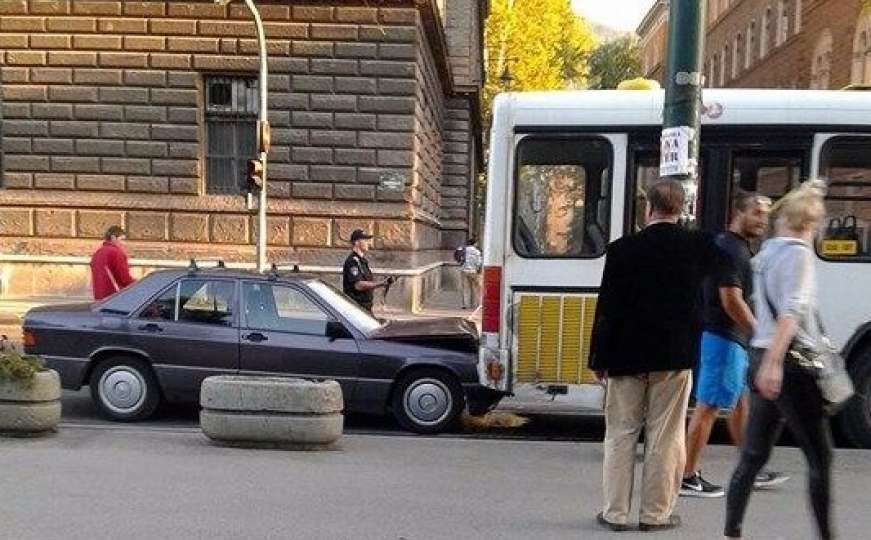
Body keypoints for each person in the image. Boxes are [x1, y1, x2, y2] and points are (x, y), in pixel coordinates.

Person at [589, 179, 725, 532]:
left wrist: (598, 359)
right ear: (681, 210)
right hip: (674, 356)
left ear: (647, 208)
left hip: (624, 356)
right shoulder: (699, 246)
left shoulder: (621, 250)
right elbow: (723, 276)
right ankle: (655, 515)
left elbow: (607, 309)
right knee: (665, 438)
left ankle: (615, 513)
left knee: (620, 434)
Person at [724, 182, 834, 540]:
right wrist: (774, 362)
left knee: (753, 456)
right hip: (787, 364)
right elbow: (791, 312)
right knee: (821, 458)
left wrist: (765, 361)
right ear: (811, 222)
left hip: (758, 354)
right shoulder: (799, 254)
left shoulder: (767, 252)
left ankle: (731, 532)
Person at [681, 192, 788, 498]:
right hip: (723, 338)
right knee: (708, 407)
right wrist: (758, 332)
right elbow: (731, 300)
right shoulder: (730, 250)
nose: (762, 221)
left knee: (740, 403)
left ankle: (749, 467)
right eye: (757, 213)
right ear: (739, 213)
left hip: (731, 340)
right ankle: (687, 476)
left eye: (766, 215)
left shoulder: (736, 247)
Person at [342, 229, 392, 313]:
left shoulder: (362, 261)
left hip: (365, 308)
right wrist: (381, 283)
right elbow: (358, 285)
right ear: (357, 242)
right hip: (356, 308)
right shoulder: (352, 261)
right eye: (365, 240)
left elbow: (367, 280)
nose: (368, 243)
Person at [90, 225, 135, 301]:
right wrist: (138, 284)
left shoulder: (98, 253)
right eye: (122, 239)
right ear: (113, 237)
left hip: (99, 298)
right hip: (115, 297)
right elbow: (124, 278)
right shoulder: (116, 253)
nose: (123, 243)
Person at [460, 237, 482, 310]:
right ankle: (477, 304)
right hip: (473, 271)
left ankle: (465, 305)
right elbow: (478, 263)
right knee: (476, 288)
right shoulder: (477, 252)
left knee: (465, 288)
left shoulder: (464, 250)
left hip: (464, 270)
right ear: (475, 243)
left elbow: (459, 258)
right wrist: (478, 270)